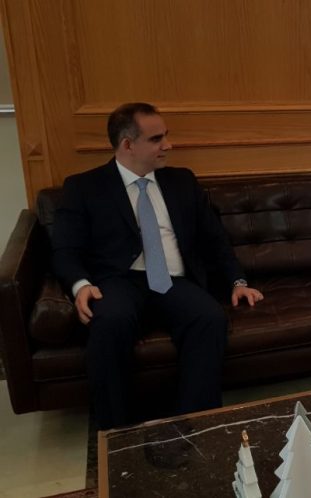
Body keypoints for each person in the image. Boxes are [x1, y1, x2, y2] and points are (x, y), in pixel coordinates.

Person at [52, 102, 264, 429]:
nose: (168, 145)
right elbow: (65, 249)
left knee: (209, 318)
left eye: (166, 135)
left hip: (172, 281)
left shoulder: (182, 181)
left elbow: (214, 238)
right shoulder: (84, 187)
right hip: (118, 282)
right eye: (156, 139)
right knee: (110, 322)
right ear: (127, 144)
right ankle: (117, 432)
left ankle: (194, 424)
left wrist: (238, 282)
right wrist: (80, 285)